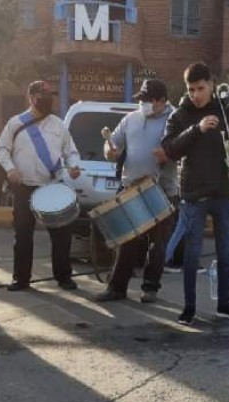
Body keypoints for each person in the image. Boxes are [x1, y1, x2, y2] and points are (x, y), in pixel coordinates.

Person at [161, 62, 229, 325]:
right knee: (191, 254)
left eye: (201, 88)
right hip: (193, 194)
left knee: (225, 253)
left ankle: (224, 303)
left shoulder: (225, 110)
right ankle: (189, 307)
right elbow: (170, 150)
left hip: (222, 191)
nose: (196, 94)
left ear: (211, 84)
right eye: (191, 89)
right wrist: (196, 129)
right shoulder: (179, 115)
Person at [94, 79, 179, 303]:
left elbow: (183, 149)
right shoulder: (130, 119)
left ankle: (150, 287)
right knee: (126, 240)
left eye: (147, 100)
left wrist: (169, 154)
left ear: (161, 100)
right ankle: (117, 288)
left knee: (157, 244)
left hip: (162, 189)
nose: (142, 104)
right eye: (140, 100)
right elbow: (112, 143)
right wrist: (109, 151)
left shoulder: (176, 118)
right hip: (131, 188)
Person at [0, 80, 82, 292]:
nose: (48, 99)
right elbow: (1, 149)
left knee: (61, 234)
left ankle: (63, 277)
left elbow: (70, 151)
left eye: (50, 94)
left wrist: (74, 166)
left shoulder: (58, 125)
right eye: (43, 95)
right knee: (23, 235)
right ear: (32, 97)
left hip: (51, 186)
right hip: (24, 187)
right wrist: (10, 169)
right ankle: (21, 279)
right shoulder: (16, 123)